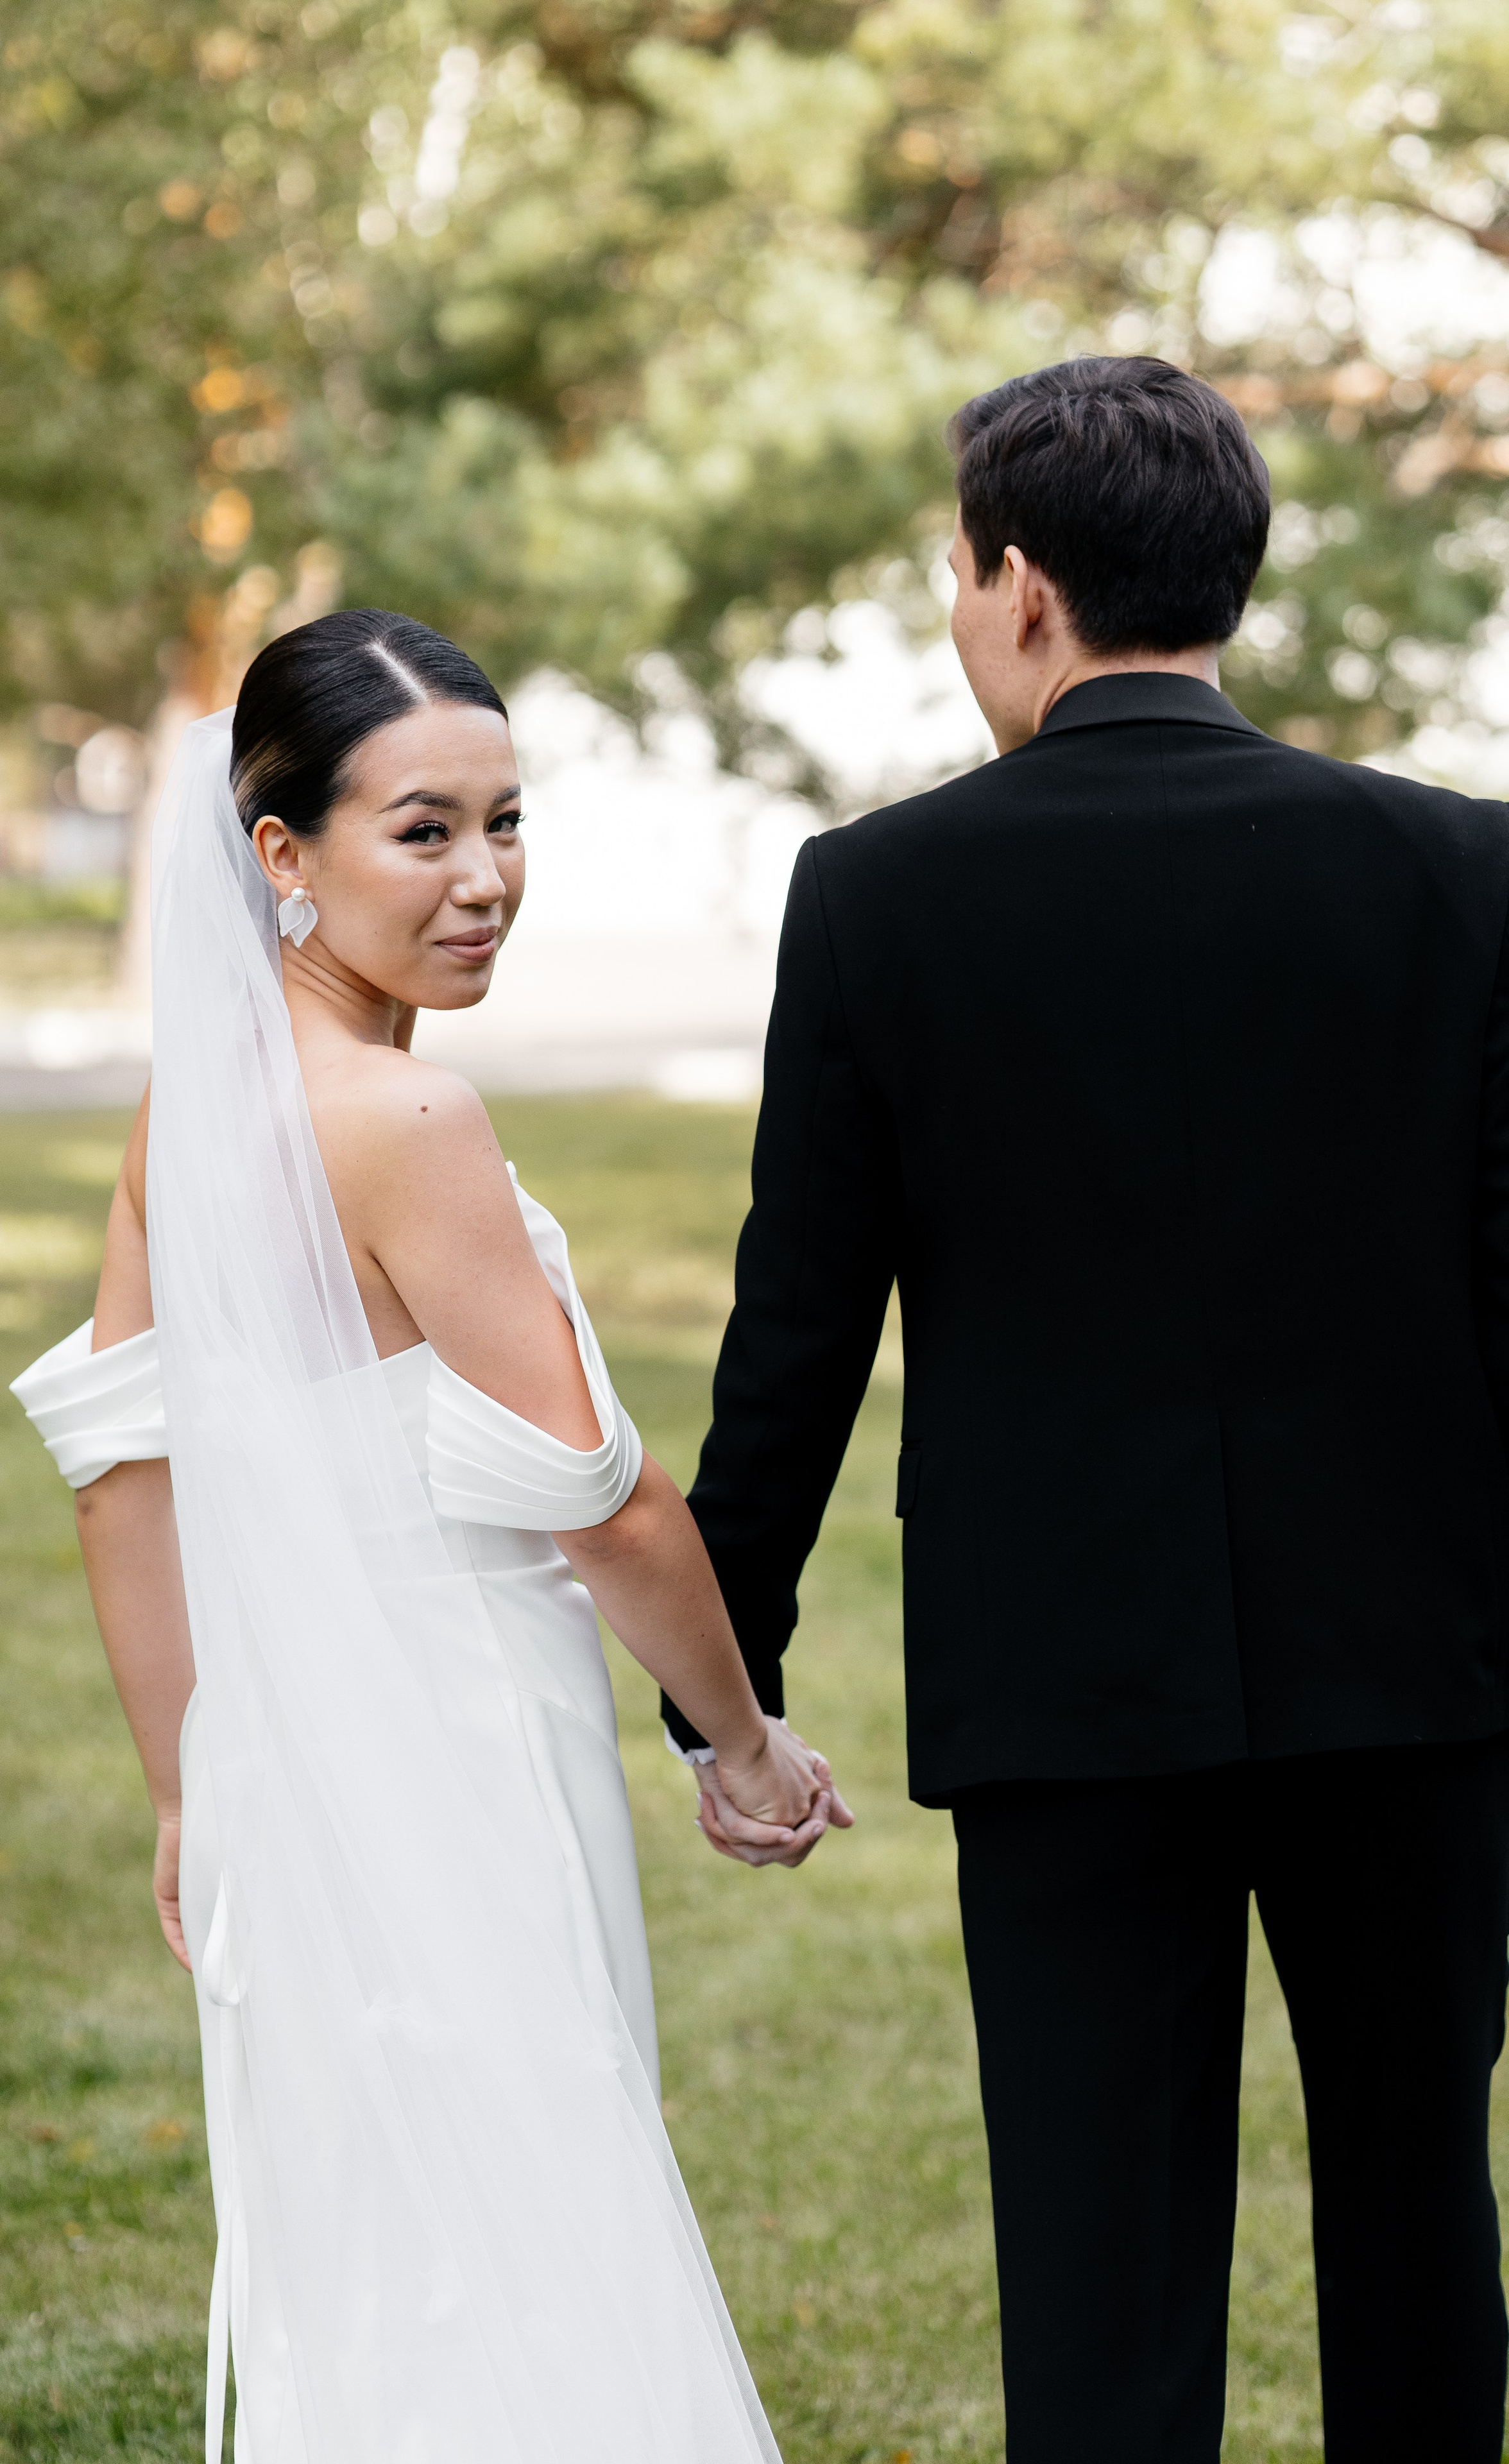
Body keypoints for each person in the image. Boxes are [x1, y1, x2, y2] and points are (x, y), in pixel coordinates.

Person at [670, 356, 1509, 2462]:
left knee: (1101, 2275)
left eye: (960, 577)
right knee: (1425, 2233)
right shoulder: (1466, 872)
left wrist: (724, 1689)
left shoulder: (880, 893)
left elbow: (799, 1339)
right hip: (1423, 1675)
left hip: (1065, 1692)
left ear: (1022, 588)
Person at [11, 610, 846, 2464]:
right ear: (280, 856)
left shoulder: (193, 1119)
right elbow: (612, 1507)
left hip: (286, 1780)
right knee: (539, 2218)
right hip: (469, 1749)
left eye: (507, 821)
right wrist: (745, 1748)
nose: (487, 881)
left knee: (374, 2232)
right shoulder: (413, 1116)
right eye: (424, 831)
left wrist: (189, 1787)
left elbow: (115, 1475)